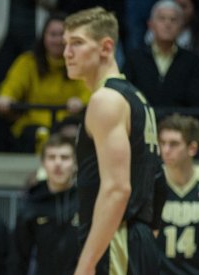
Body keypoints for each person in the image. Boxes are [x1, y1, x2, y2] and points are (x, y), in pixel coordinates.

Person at [63, 7, 161, 275]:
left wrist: (86, 264)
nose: (66, 53)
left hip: (117, 240)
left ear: (106, 47)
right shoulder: (137, 98)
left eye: (77, 43)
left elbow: (117, 189)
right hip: (136, 240)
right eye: (65, 44)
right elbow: (159, 180)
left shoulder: (105, 100)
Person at [0, 14, 90, 153]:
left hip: (68, 122)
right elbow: (12, 86)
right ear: (43, 37)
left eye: (62, 35)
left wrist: (81, 101)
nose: (57, 40)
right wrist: (5, 97)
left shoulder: (81, 63)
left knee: (74, 133)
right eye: (53, 35)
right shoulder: (28, 61)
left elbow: (89, 89)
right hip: (33, 124)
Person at [9, 134, 79, 275]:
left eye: (65, 158)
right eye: (52, 157)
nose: (58, 163)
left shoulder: (87, 201)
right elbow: (18, 259)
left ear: (75, 164)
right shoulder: (31, 204)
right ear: (43, 163)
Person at [156, 113, 199, 274]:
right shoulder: (151, 184)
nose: (166, 150)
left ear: (192, 148)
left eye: (174, 144)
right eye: (162, 143)